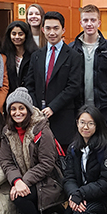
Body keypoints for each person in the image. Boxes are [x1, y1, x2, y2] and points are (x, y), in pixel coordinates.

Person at [0, 88, 65, 214]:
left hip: (46, 180)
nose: (17, 113)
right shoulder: (7, 131)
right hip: (24, 180)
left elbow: (47, 163)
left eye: (21, 108)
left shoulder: (42, 129)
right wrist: (16, 180)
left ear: (28, 109)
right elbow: (6, 161)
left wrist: (24, 181)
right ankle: (45, 212)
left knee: (19, 196)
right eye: (13, 109)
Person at [24, 11, 83, 150]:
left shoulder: (74, 56)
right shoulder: (36, 55)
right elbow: (30, 84)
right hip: (38, 116)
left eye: (56, 28)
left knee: (62, 158)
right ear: (43, 29)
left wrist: (53, 107)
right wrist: (36, 109)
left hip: (63, 116)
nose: (52, 32)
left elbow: (73, 86)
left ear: (63, 30)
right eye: (48, 28)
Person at [63, 105, 107, 214]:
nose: (85, 127)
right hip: (81, 197)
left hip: (101, 199)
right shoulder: (74, 147)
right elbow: (69, 177)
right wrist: (74, 195)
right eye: (82, 122)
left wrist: (80, 194)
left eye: (90, 123)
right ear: (77, 123)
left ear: (97, 125)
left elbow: (106, 182)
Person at [68, 4, 107, 128]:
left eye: (93, 20)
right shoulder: (71, 49)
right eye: (86, 20)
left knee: (102, 145)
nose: (89, 24)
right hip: (78, 109)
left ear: (99, 22)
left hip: (103, 109)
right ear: (80, 22)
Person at [0, 21, 37, 94]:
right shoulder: (3, 55)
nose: (17, 37)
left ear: (26, 36)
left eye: (20, 34)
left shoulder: (35, 55)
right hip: (8, 98)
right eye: (14, 34)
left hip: (29, 97)